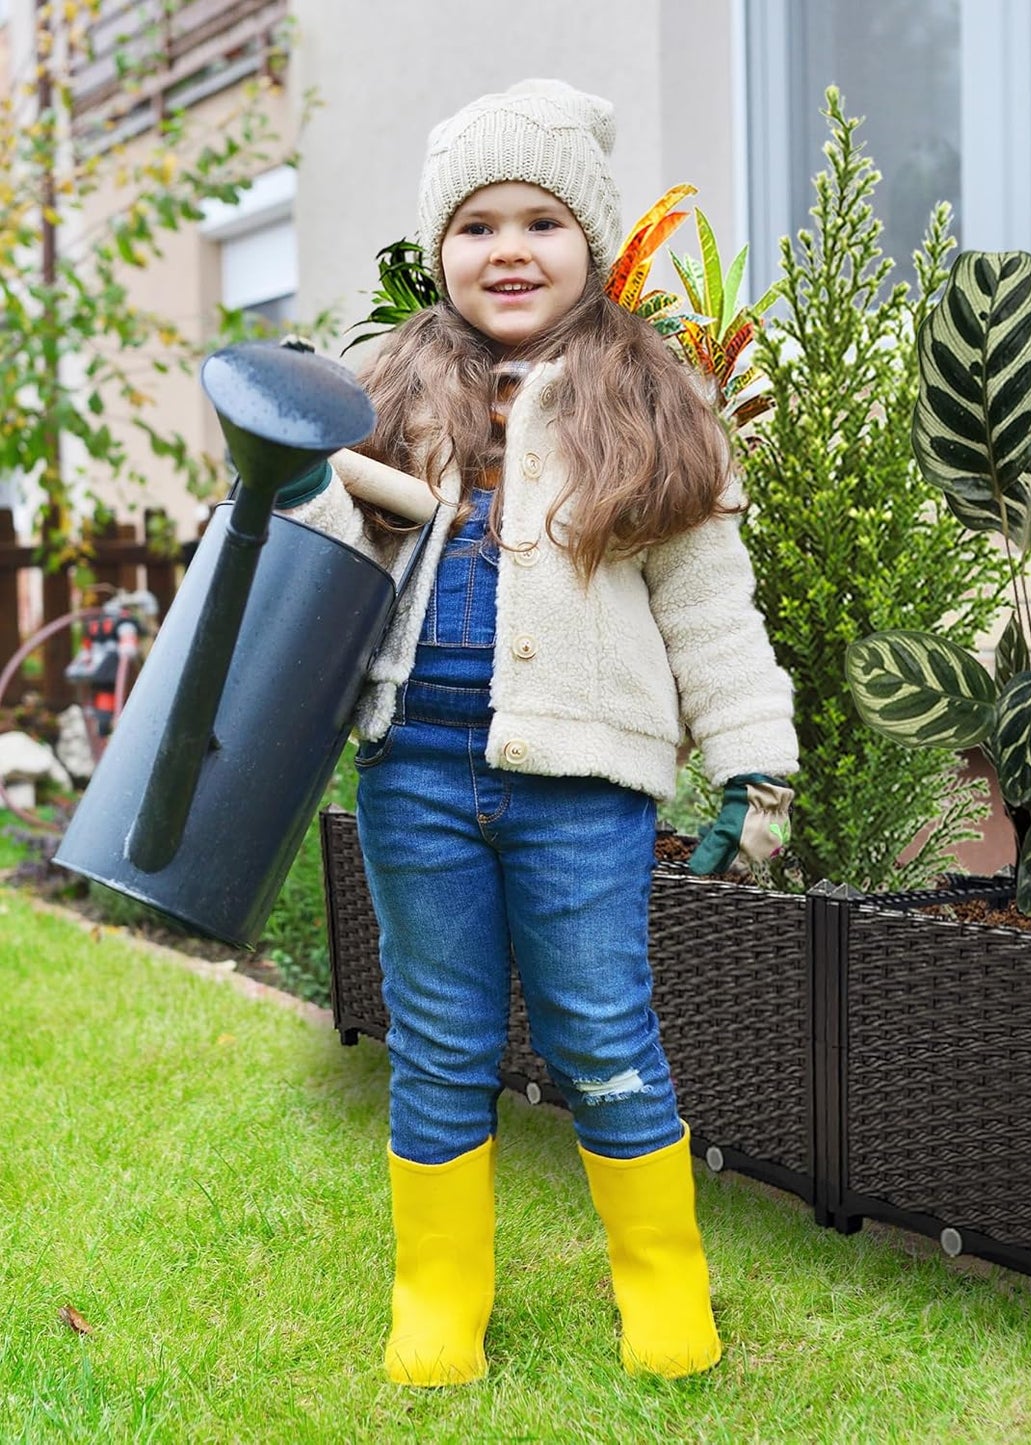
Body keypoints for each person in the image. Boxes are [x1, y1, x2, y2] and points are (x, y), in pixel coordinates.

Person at [278, 78, 798, 1386]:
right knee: (438, 1035)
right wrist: (297, 477)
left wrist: (754, 762)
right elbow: (331, 564)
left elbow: (711, 613)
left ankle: (661, 1279)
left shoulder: (652, 406)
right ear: (439, 247)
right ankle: (437, 1294)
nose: (507, 251)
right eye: (477, 226)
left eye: (540, 222)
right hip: (415, 771)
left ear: (591, 242)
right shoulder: (391, 392)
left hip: (584, 787)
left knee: (602, 1030)